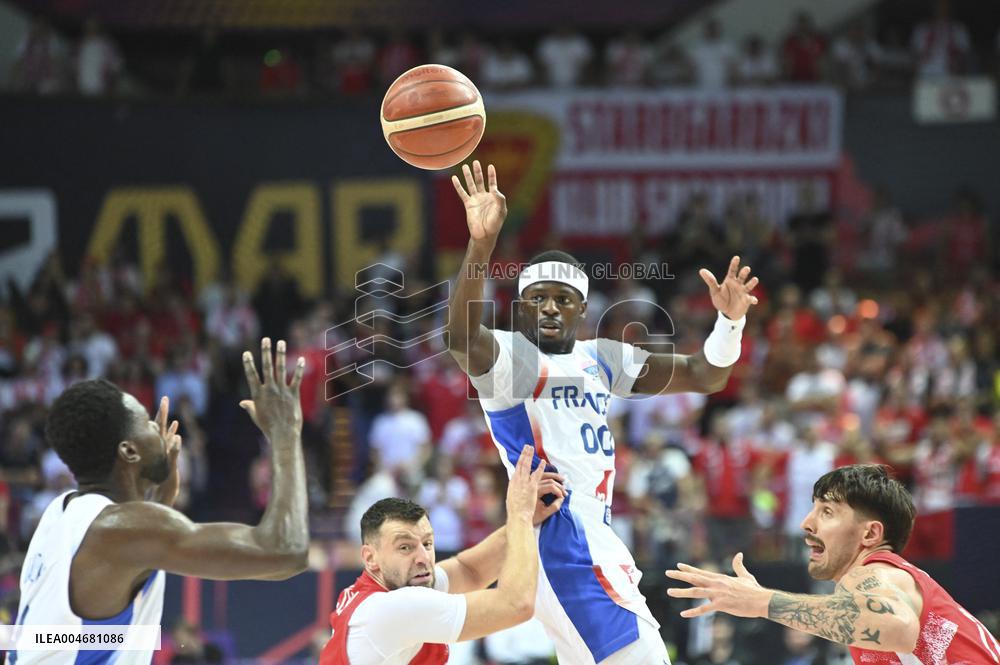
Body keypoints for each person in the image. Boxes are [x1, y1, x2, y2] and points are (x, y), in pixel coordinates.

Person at [446, 160, 760, 664]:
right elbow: (460, 338)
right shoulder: (513, 359)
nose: (549, 308)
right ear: (522, 308)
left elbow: (706, 375)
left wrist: (728, 322)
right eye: (538, 299)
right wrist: (481, 245)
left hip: (592, 534)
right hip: (563, 535)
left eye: (562, 299)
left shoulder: (602, 358)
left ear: (582, 308)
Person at [10, 338, 309, 664]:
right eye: (147, 423)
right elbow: (285, 552)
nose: (158, 426)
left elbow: (91, 625)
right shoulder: (122, 531)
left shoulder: (61, 512)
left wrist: (158, 500)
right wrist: (285, 432)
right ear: (128, 451)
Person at [666, 464, 1000, 663]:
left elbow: (897, 627)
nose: (806, 524)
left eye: (827, 512)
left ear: (870, 534)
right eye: (813, 509)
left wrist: (761, 602)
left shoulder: (876, 574)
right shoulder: (894, 583)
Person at [319, 445, 563, 665]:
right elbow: (515, 605)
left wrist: (529, 517)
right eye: (405, 547)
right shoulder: (392, 608)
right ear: (370, 558)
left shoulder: (389, 588)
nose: (422, 557)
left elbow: (470, 571)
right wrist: (519, 514)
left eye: (427, 543)